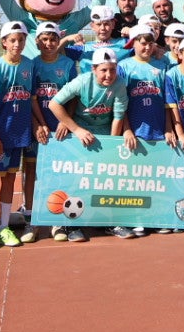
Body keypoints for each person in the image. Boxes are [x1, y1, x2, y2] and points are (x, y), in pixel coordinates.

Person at [45, 47, 128, 242]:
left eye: (112, 70)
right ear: (94, 69)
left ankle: (110, 222)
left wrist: (111, 146)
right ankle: (71, 224)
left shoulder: (119, 85)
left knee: (107, 179)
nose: (108, 75)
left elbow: (118, 118)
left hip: (105, 134)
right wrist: (76, 129)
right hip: (81, 133)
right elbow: (54, 104)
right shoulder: (82, 81)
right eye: (104, 70)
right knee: (75, 178)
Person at [0, 21, 38, 251]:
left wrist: (38, 124)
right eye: (12, 40)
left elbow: (31, 99)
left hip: (19, 133)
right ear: (4, 42)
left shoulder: (29, 66)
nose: (17, 44)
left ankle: (3, 227)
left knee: (10, 180)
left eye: (21, 40)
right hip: (1, 133)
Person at [113, 24, 170, 238]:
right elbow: (120, 102)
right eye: (142, 42)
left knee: (155, 179)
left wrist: (167, 129)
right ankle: (135, 219)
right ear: (133, 43)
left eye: (149, 42)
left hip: (157, 131)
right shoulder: (124, 66)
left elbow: (167, 102)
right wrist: (126, 129)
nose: (146, 46)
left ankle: (154, 218)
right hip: (135, 131)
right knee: (134, 179)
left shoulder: (161, 67)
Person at [24, 23, 76, 239]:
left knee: (60, 172)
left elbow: (74, 96)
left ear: (58, 41)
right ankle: (31, 219)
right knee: (32, 171)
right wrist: (37, 124)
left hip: (60, 128)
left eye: (52, 39)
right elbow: (28, 97)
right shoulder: (31, 65)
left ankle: (58, 221)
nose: (48, 44)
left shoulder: (68, 64)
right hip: (37, 128)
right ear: (37, 42)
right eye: (44, 39)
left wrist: (66, 121)